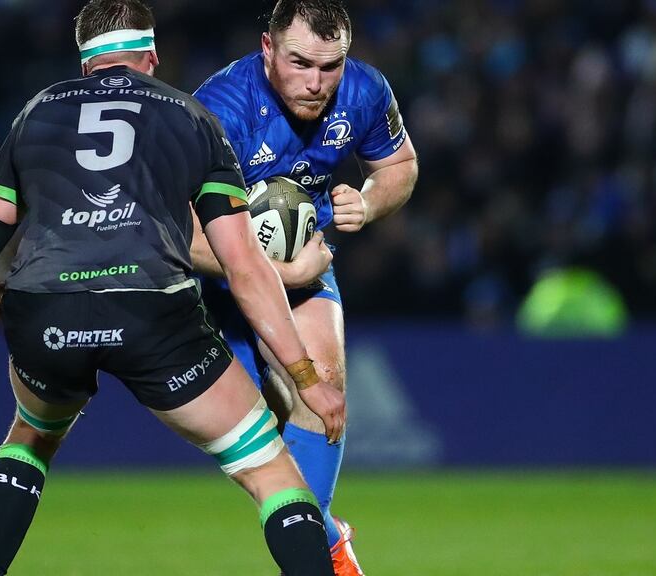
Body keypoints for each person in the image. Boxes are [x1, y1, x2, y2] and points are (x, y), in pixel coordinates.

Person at [0, 1, 347, 574]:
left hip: (44, 312)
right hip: (152, 315)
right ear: (152, 57)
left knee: (31, 435)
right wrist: (306, 376)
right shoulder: (191, 118)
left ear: (86, 65)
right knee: (272, 472)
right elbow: (245, 268)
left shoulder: (36, 114)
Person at [190, 1, 419, 574]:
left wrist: (365, 203)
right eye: (300, 63)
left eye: (330, 66)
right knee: (255, 433)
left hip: (303, 266)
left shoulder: (365, 91)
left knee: (323, 392)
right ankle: (322, 536)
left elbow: (400, 166)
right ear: (267, 47)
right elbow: (176, 232)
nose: (316, 83)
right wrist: (281, 273)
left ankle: (315, 550)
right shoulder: (219, 111)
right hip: (211, 280)